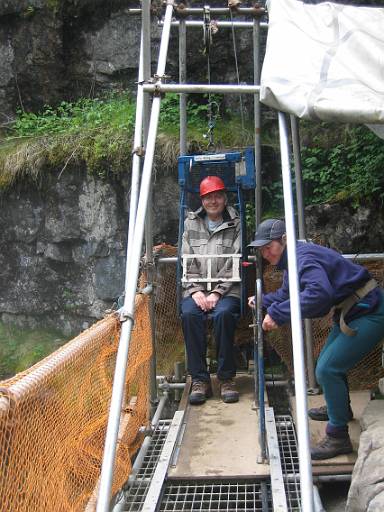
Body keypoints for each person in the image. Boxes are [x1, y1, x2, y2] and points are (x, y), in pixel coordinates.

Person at [247, 218, 384, 459]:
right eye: (262, 250)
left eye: (269, 247)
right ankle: (339, 409)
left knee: (327, 369)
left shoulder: (303, 258)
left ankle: (338, 437)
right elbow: (289, 292)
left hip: (369, 311)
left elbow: (318, 296)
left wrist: (277, 314)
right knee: (329, 363)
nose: (266, 253)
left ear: (284, 240)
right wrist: (264, 301)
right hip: (354, 310)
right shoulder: (293, 260)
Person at [181, 176, 241, 405]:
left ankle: (226, 379)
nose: (213, 201)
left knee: (224, 315)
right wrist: (196, 291)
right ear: (202, 201)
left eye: (217, 196)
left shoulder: (236, 223)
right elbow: (186, 258)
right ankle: (199, 380)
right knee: (189, 314)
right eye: (208, 197)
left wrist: (217, 293)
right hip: (195, 288)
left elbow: (235, 260)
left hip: (228, 290)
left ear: (224, 198)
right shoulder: (191, 223)